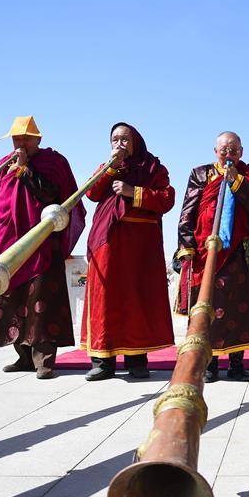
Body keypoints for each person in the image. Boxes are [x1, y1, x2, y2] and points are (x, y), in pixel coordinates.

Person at [0, 115, 85, 380]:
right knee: (13, 302)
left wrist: (25, 170)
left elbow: (52, 195)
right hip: (10, 246)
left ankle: (43, 360)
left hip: (42, 245)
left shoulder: (53, 162)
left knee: (42, 302)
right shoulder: (1, 166)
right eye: (16, 139)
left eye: (25, 139)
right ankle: (22, 357)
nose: (20, 144)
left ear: (37, 140)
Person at [175, 131, 249, 383]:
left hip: (241, 252)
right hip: (208, 250)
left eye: (233, 150)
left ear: (241, 152)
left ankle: (236, 365)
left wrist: (237, 182)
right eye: (224, 150)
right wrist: (186, 246)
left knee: (240, 308)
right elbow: (188, 211)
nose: (228, 154)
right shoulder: (201, 174)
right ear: (215, 151)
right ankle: (209, 364)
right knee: (209, 307)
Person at [81, 122, 175, 381]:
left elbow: (167, 199)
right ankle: (102, 361)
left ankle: (137, 360)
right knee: (105, 299)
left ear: (136, 142)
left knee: (137, 298)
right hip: (108, 243)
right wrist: (110, 167)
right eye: (114, 139)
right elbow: (91, 192)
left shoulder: (153, 168)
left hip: (140, 245)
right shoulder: (108, 168)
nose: (119, 144)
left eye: (124, 139)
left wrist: (134, 192)